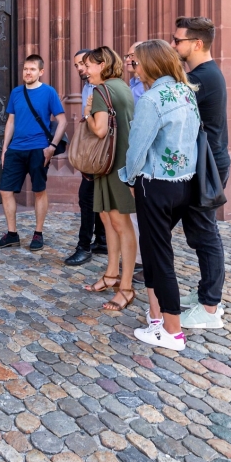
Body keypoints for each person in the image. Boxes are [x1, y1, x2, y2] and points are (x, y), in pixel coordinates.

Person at [119, 40, 200, 350]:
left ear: (151, 65)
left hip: (155, 184)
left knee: (160, 255)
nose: (133, 68)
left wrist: (128, 176)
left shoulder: (152, 100)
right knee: (153, 249)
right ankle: (156, 318)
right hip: (184, 183)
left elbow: (137, 148)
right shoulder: (186, 92)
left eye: (136, 63)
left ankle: (172, 330)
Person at [171, 16, 230, 329]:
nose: (173, 45)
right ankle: (208, 299)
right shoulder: (202, 73)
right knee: (200, 233)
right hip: (207, 162)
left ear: (196, 43)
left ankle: (209, 307)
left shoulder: (203, 77)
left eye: (178, 40)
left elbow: (175, 110)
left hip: (208, 166)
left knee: (205, 235)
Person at [0, 55, 67, 252]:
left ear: (41, 72)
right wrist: (5, 148)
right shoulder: (16, 92)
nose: (27, 72)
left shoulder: (49, 92)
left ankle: (38, 233)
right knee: (5, 190)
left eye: (32, 69)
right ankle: (12, 234)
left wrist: (51, 146)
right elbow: (11, 121)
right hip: (16, 149)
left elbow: (63, 121)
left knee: (38, 191)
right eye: (25, 68)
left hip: (38, 149)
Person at [83, 46, 137, 311]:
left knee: (119, 222)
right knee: (108, 218)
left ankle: (126, 287)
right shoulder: (122, 86)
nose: (85, 70)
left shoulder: (101, 91)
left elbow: (101, 130)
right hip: (116, 162)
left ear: (102, 65)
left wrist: (87, 115)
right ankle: (111, 275)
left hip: (113, 164)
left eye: (89, 65)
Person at [65, 50, 107, 266]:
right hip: (91, 149)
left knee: (87, 198)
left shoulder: (103, 88)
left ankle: (83, 247)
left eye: (83, 64)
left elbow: (101, 127)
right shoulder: (87, 87)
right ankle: (102, 241)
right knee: (94, 197)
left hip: (101, 152)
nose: (80, 68)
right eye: (77, 65)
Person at [124, 42, 145, 283]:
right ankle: (139, 258)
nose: (128, 59)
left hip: (142, 153)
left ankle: (145, 261)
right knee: (134, 212)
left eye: (133, 55)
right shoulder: (132, 84)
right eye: (127, 55)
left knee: (141, 212)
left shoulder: (147, 87)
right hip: (132, 150)